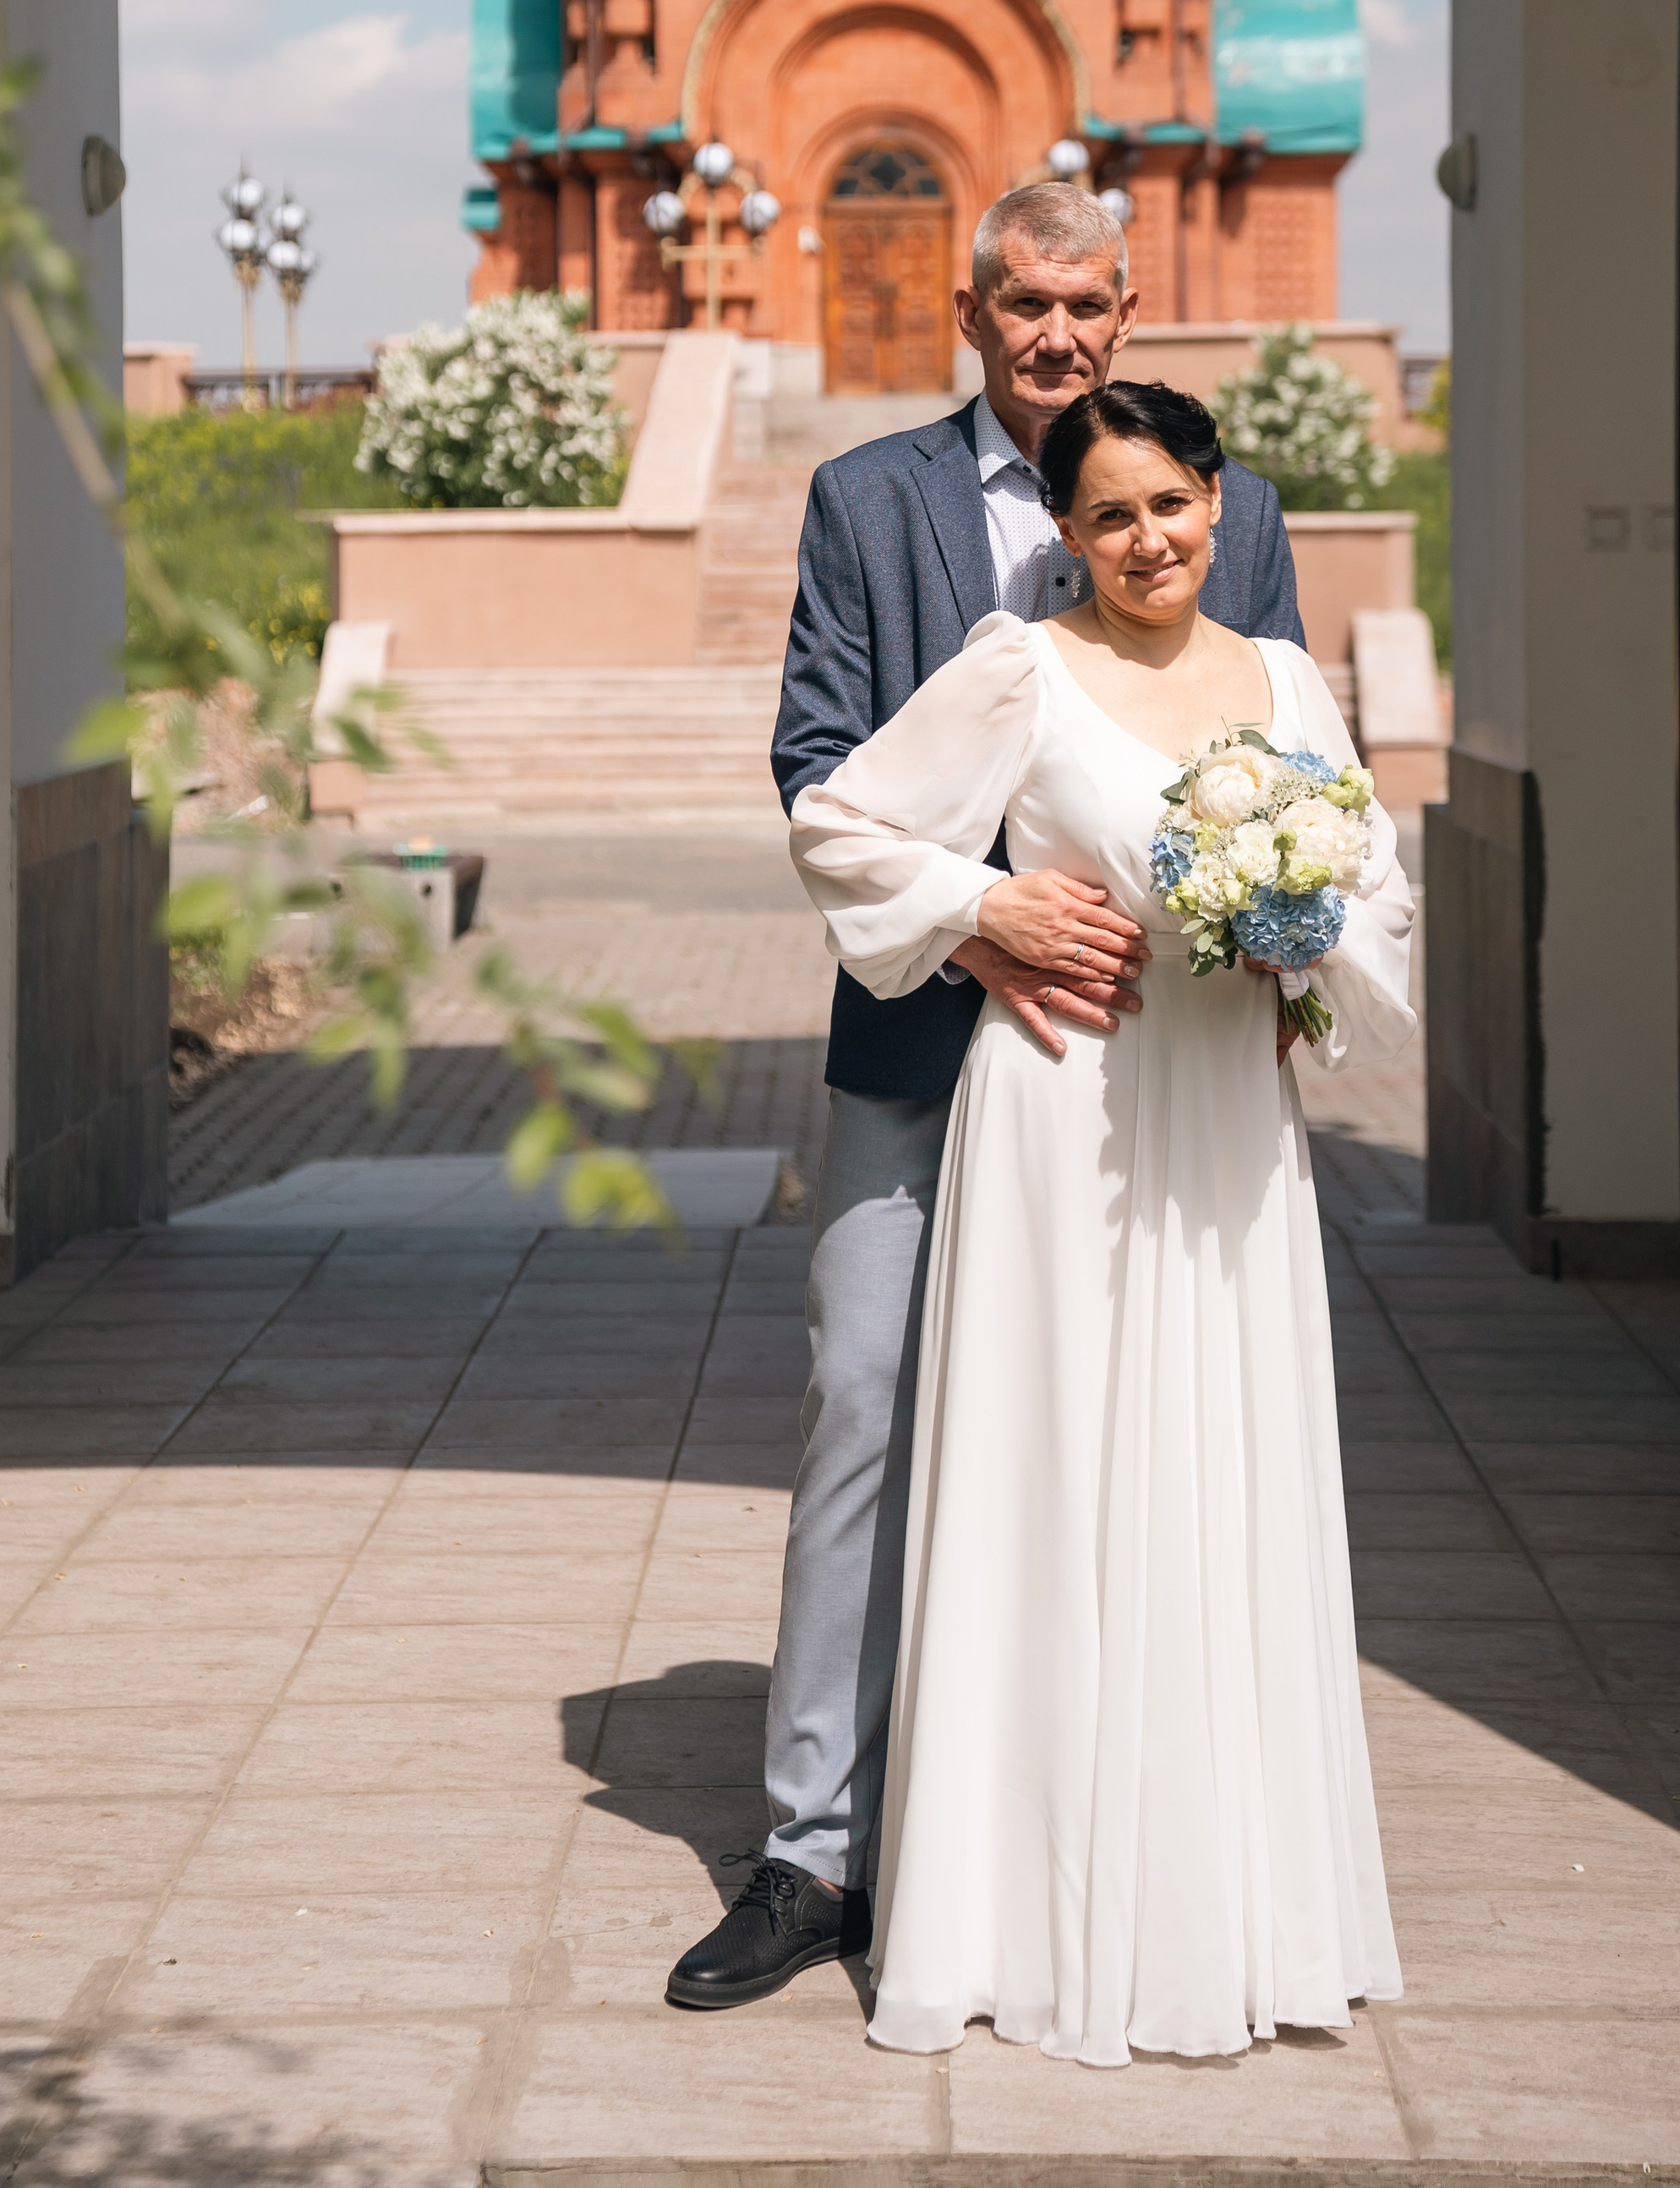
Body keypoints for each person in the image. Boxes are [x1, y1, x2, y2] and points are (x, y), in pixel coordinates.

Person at [665, 187, 1304, 2011]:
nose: (1055, 335)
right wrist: (978, 918)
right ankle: (815, 1854)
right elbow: (817, 761)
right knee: (865, 1398)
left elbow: (1276, 762)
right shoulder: (869, 502)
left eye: (1085, 304)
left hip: (1149, 1069)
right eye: (1023, 303)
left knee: (1121, 1431)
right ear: (972, 315)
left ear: (1128, 311)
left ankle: (1073, 1835)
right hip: (927, 1042)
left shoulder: (1233, 506)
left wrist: (1281, 949)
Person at [791, 381, 1412, 2062]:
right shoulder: (1018, 667)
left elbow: (1377, 890)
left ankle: (1231, 1908)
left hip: (1228, 1124)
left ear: (1218, 503)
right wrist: (980, 906)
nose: (1148, 539)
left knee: (1223, 1472)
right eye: (1110, 515)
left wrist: (1304, 934)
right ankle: (1022, 1911)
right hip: (1065, 1107)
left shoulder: (1286, 680)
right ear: (1063, 535)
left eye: (1172, 504)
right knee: (1060, 1475)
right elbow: (838, 820)